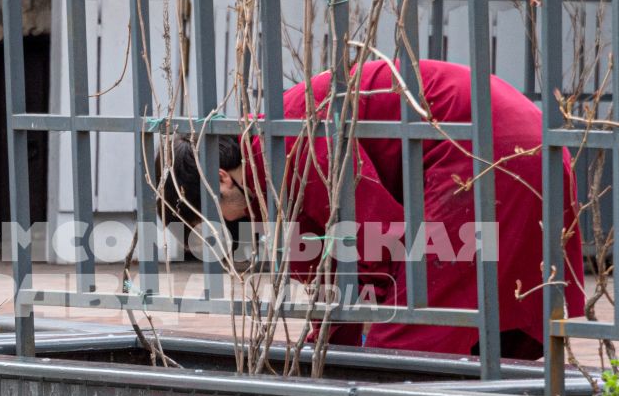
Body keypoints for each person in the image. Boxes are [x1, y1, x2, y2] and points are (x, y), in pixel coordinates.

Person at [167, 58, 585, 360]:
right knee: (486, 336)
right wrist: (327, 350)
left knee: (405, 346)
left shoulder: (290, 143)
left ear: (221, 178)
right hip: (519, 144)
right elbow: (341, 275)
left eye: (215, 218)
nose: (233, 225)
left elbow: (380, 242)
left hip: (485, 152)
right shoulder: (272, 147)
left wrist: (337, 355)